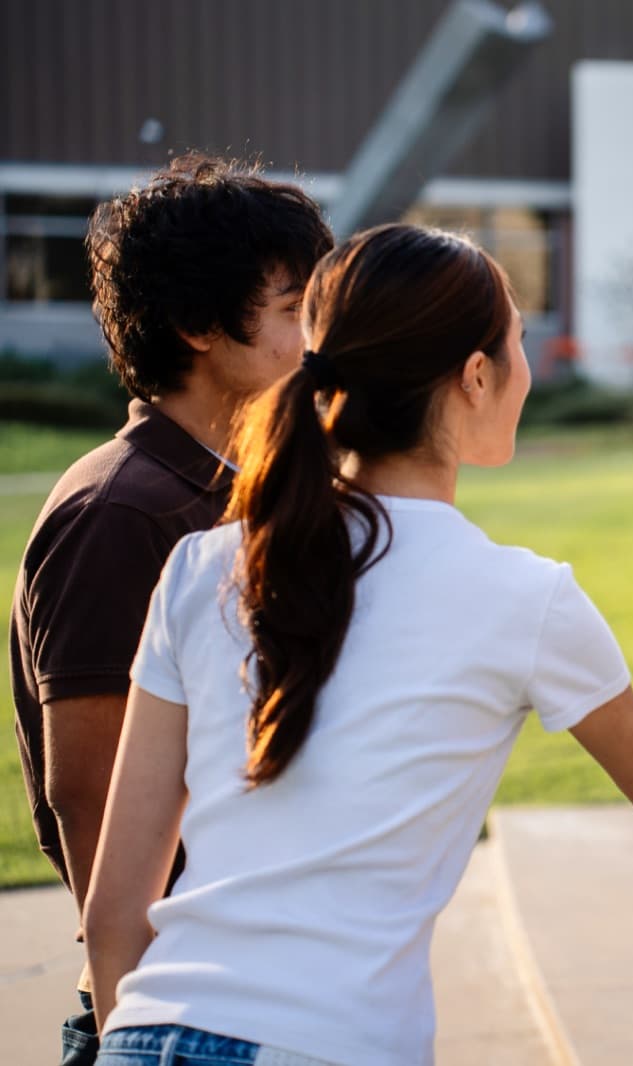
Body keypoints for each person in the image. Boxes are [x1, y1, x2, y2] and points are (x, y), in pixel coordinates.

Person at [82, 223, 633, 1066]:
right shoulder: (527, 598)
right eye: (519, 344)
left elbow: (116, 910)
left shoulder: (202, 566)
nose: (526, 371)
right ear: (476, 376)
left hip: (144, 1034)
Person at [8, 154, 333, 1065]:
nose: (315, 338)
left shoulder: (229, 490)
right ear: (197, 323)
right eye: (291, 310)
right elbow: (90, 793)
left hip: (252, 989)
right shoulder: (122, 511)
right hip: (171, 1011)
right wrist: (129, 1022)